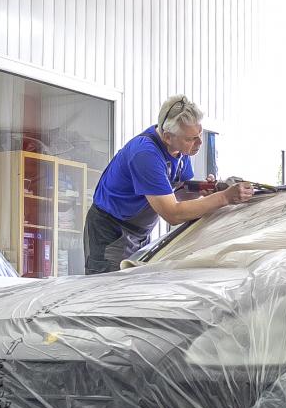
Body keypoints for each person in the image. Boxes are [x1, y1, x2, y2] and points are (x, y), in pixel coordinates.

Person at [83, 95, 255, 274]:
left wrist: (206, 189)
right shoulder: (145, 154)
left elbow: (179, 192)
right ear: (167, 137)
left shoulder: (181, 150)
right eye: (191, 139)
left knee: (135, 282)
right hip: (110, 231)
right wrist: (223, 198)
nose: (199, 143)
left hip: (139, 231)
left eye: (199, 134)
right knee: (111, 286)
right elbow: (173, 213)